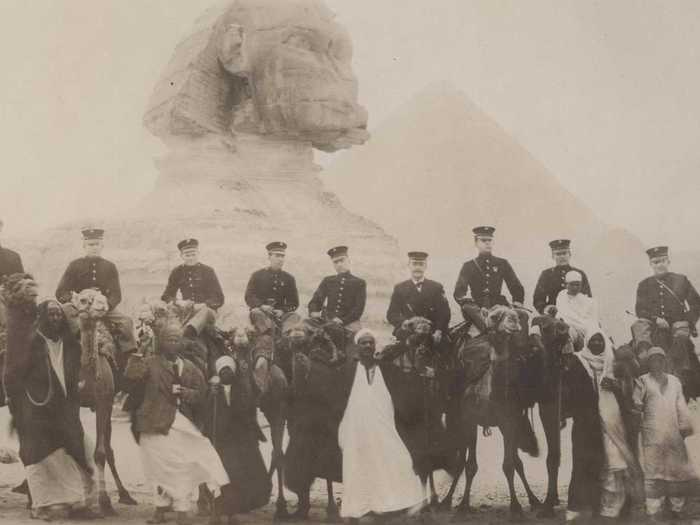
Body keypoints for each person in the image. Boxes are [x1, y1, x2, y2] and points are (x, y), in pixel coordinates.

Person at [124, 323, 229, 525]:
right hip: (154, 422)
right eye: (169, 339)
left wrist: (185, 393)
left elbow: (202, 394)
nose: (173, 343)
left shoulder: (190, 367)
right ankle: (160, 509)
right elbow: (130, 378)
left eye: (176, 339)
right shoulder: (150, 363)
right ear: (161, 342)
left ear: (182, 343)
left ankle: (182, 510)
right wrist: (138, 352)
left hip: (181, 421)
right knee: (157, 468)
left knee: (183, 463)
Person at [4, 296, 96, 521]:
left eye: (58, 314)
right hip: (37, 409)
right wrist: (18, 403)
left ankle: (77, 503)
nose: (55, 318)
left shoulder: (70, 343)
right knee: (41, 457)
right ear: (42, 316)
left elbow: (78, 370)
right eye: (51, 313)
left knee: (78, 449)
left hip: (65, 408)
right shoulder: (31, 342)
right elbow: (14, 374)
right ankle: (42, 506)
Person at [337, 329, 425, 522]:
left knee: (398, 456)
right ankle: (361, 505)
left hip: (383, 425)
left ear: (375, 346)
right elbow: (339, 398)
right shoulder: (347, 370)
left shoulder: (387, 369)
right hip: (356, 428)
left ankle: (393, 501)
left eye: (371, 343)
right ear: (357, 346)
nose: (368, 346)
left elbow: (406, 384)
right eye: (364, 343)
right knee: (358, 464)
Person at [562, 332, 638, 522]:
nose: (596, 343)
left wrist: (615, 386)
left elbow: (628, 391)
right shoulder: (577, 361)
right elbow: (568, 391)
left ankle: (610, 507)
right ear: (587, 343)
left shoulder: (612, 363)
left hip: (610, 421)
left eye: (600, 340)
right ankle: (576, 507)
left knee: (612, 463)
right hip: (585, 422)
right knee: (582, 462)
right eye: (593, 340)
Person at [633, 347, 699, 520]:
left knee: (675, 471)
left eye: (660, 359)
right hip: (652, 434)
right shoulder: (642, 381)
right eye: (654, 359)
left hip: (673, 433)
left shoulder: (675, 381)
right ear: (649, 362)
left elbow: (681, 405)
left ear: (665, 361)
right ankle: (654, 508)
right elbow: (636, 405)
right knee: (653, 471)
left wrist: (685, 425)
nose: (658, 363)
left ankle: (676, 507)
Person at [205, 355, 271, 524]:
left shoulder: (242, 389)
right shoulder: (212, 390)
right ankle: (216, 511)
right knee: (218, 476)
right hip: (220, 440)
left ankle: (232, 512)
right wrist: (211, 396)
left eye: (229, 370)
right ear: (219, 372)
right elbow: (206, 414)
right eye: (222, 370)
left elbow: (248, 411)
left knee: (236, 477)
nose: (226, 373)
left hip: (239, 440)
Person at [55, 227, 136, 354]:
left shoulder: (109, 266)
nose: (94, 247)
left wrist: (105, 306)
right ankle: (77, 340)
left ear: (102, 246)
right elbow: (61, 292)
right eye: (90, 244)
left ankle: (129, 356)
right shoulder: (74, 265)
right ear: (84, 246)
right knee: (66, 312)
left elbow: (116, 294)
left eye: (97, 244)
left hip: (101, 306)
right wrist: (74, 300)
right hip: (79, 306)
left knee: (126, 321)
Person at [632, 246, 700, 374]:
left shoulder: (681, 280)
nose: (660, 265)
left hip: (678, 324)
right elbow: (640, 309)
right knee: (639, 326)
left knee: (680, 339)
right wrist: (655, 319)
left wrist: (686, 321)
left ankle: (680, 371)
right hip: (654, 324)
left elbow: (696, 304)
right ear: (651, 264)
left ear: (668, 261)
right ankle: (644, 359)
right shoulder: (644, 285)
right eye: (656, 262)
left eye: (663, 261)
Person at [453, 226, 526, 333]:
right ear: (476, 243)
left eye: (490, 240)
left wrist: (517, 302)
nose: (487, 243)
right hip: (477, 307)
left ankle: (522, 348)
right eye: (483, 240)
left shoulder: (502, 263)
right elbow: (459, 292)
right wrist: (469, 303)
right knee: (468, 310)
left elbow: (515, 286)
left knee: (522, 316)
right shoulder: (468, 266)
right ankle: (487, 327)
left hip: (499, 305)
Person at [161, 238, 225, 338]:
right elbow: (166, 295)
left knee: (206, 312)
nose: (191, 258)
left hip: (206, 311)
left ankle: (188, 332)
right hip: (187, 309)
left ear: (198, 253)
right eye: (187, 255)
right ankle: (171, 334)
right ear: (181, 256)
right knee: (170, 309)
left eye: (193, 254)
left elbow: (219, 298)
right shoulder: (177, 272)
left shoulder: (208, 271)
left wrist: (204, 304)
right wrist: (178, 302)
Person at [308, 245, 366, 350]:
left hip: (350, 322)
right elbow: (315, 301)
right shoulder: (328, 281)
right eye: (335, 262)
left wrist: (342, 320)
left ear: (348, 260)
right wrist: (313, 311)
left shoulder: (359, 283)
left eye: (342, 260)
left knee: (359, 343)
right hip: (328, 320)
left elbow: (358, 309)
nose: (339, 264)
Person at [386, 251, 450, 343]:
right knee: (389, 354)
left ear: (425, 266)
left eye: (421, 264)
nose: (417, 268)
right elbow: (391, 314)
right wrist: (404, 322)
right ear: (409, 265)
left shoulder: (436, 287)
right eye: (414, 264)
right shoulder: (400, 288)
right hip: (408, 332)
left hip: (432, 332)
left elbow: (445, 313)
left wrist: (438, 330)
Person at [533, 239, 591, 315]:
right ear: (553, 256)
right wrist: (546, 308)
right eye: (558, 254)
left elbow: (587, 297)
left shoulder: (579, 273)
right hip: (555, 314)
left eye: (564, 253)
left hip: (577, 312)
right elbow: (538, 299)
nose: (562, 257)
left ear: (570, 254)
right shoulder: (546, 274)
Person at [555, 270, 601, 351]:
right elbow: (561, 314)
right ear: (566, 285)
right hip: (567, 328)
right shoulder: (561, 296)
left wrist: (582, 327)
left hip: (583, 329)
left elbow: (591, 320)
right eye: (572, 284)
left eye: (577, 285)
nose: (575, 287)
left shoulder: (587, 301)